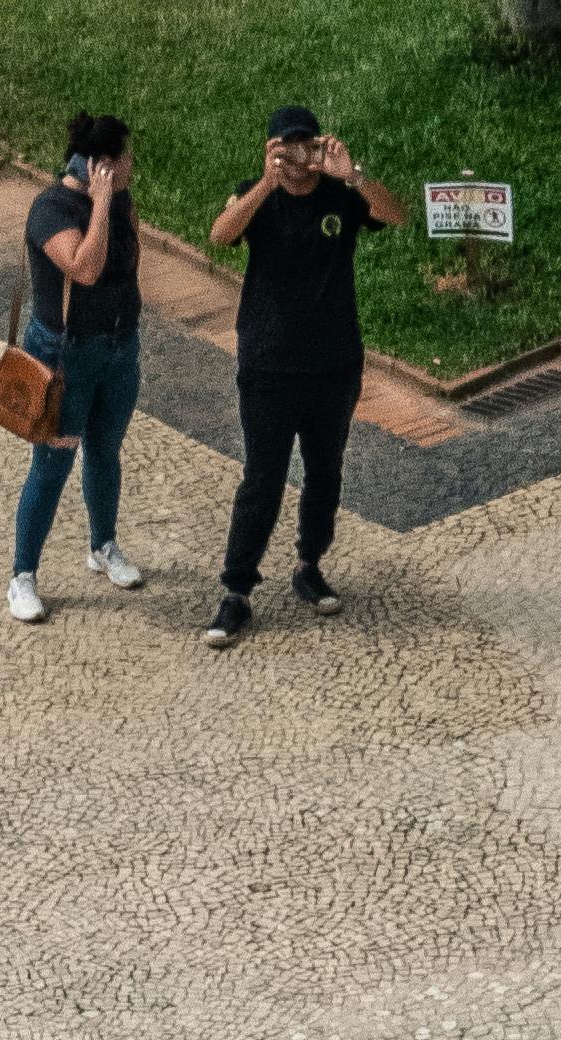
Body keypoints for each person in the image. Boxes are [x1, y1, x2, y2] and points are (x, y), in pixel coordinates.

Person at [202, 108, 403, 651]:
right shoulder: (257, 195)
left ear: (320, 146)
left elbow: (396, 215)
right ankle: (236, 590)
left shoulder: (340, 195)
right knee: (262, 480)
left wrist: (353, 174)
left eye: (305, 147)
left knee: (325, 473)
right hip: (268, 367)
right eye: (284, 149)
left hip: (334, 365)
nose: (296, 160)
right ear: (271, 150)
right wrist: (265, 184)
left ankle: (309, 565)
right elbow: (220, 236)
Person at [9, 112, 148, 628]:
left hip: (118, 348)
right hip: (66, 357)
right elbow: (85, 268)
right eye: (126, 159)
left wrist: (115, 206)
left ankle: (103, 545)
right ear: (103, 166)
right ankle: (22, 576)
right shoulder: (50, 211)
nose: (133, 166)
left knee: (106, 450)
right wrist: (104, 204)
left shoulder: (124, 203)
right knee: (52, 464)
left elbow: (130, 259)